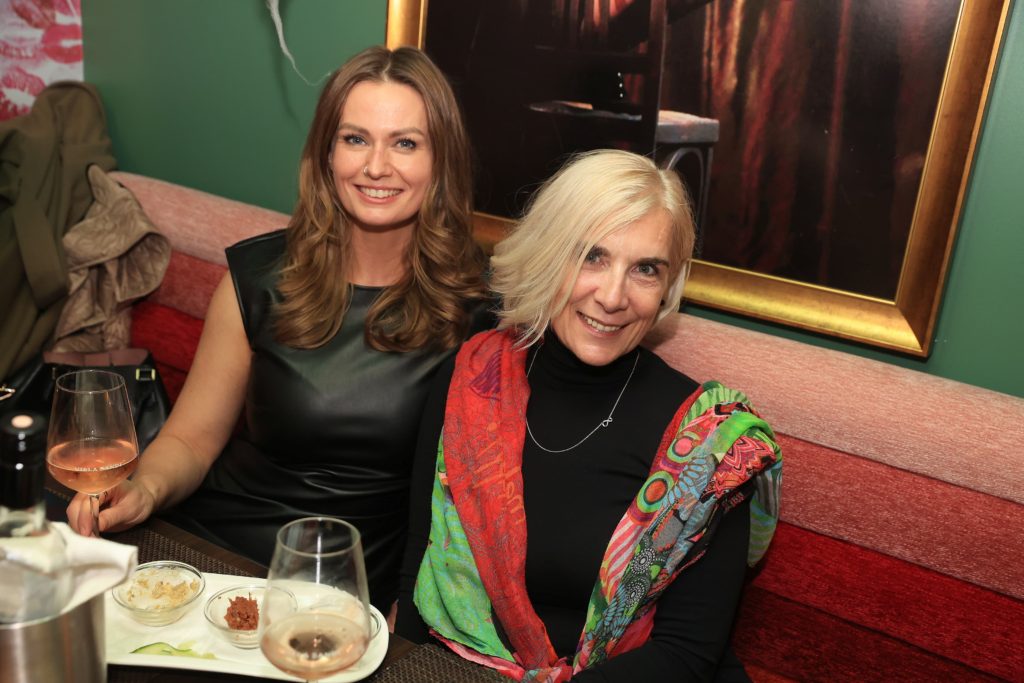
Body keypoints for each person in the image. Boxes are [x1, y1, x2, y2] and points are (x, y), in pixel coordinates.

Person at [66, 46, 491, 612]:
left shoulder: (479, 309)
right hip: (218, 555)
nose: (376, 166)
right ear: (326, 153)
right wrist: (142, 488)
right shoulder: (258, 278)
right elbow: (191, 440)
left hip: (348, 591)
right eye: (355, 138)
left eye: (406, 143)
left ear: (442, 160)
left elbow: (470, 510)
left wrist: (407, 612)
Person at [397, 149, 782, 680]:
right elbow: (420, 567)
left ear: (668, 286)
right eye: (592, 256)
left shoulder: (711, 444)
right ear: (548, 254)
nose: (613, 296)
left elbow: (686, 655)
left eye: (645, 269)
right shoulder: (471, 382)